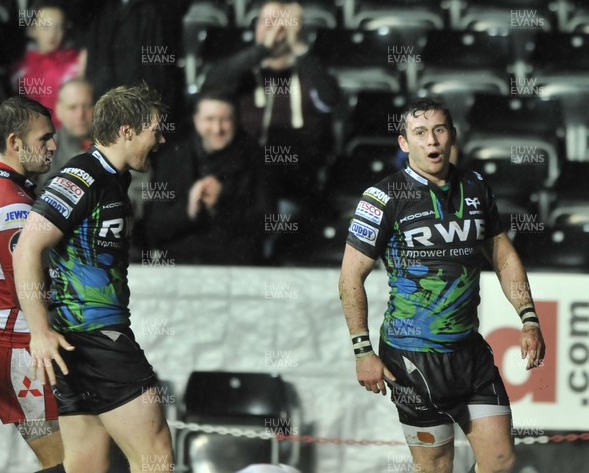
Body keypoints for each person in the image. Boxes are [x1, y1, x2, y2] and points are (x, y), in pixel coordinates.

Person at [338, 98, 546, 473]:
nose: (431, 140)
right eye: (419, 132)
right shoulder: (382, 198)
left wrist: (528, 318)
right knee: (435, 468)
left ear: (452, 136)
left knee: (501, 462)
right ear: (404, 143)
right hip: (412, 358)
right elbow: (351, 275)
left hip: (469, 353)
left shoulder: (476, 186)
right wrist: (361, 350)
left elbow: (503, 255)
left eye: (439, 130)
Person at [12, 83, 174, 473]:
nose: (162, 138)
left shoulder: (111, 179)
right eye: (155, 129)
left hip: (76, 344)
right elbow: (27, 249)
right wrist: (39, 333)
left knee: (86, 467)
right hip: (99, 339)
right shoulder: (84, 175)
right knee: (156, 456)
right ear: (127, 130)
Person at [203, 0, 341, 213]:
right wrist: (262, 49)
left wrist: (299, 46)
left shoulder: (311, 73)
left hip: (295, 186)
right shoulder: (243, 74)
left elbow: (331, 98)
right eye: (265, 22)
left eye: (280, 22)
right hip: (243, 184)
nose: (272, 29)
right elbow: (213, 82)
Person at [0, 96, 63, 471]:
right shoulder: (12, 206)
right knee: (63, 463)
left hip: (15, 341)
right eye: (45, 138)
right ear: (15, 142)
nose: (53, 146)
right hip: (20, 347)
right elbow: (26, 285)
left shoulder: (2, 188)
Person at [145, 89, 268, 265]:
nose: (217, 129)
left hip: (236, 266)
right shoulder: (172, 159)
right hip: (180, 266)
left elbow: (265, 225)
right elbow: (153, 228)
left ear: (236, 121)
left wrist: (221, 205)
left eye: (225, 120)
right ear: (196, 121)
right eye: (209, 119)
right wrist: (188, 211)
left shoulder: (256, 159)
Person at [10, 1, 84, 128]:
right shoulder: (19, 70)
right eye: (46, 27)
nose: (52, 34)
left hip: (69, 137)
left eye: (58, 27)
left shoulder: (77, 64)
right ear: (32, 29)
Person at [35, 77, 94, 191]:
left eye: (86, 106)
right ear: (59, 110)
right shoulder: (44, 149)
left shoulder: (115, 144)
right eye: (72, 108)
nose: (80, 115)